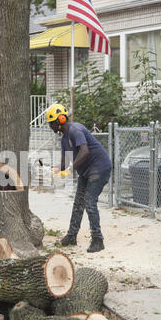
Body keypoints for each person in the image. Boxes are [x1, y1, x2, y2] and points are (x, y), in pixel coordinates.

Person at [46, 102, 112, 253]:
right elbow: (65, 162)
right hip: (86, 172)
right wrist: (53, 170)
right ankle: (71, 236)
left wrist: (70, 170)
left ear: (60, 119)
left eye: (51, 123)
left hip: (99, 168)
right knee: (78, 203)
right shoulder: (64, 139)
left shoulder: (76, 130)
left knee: (89, 202)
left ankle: (97, 240)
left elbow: (85, 152)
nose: (50, 126)